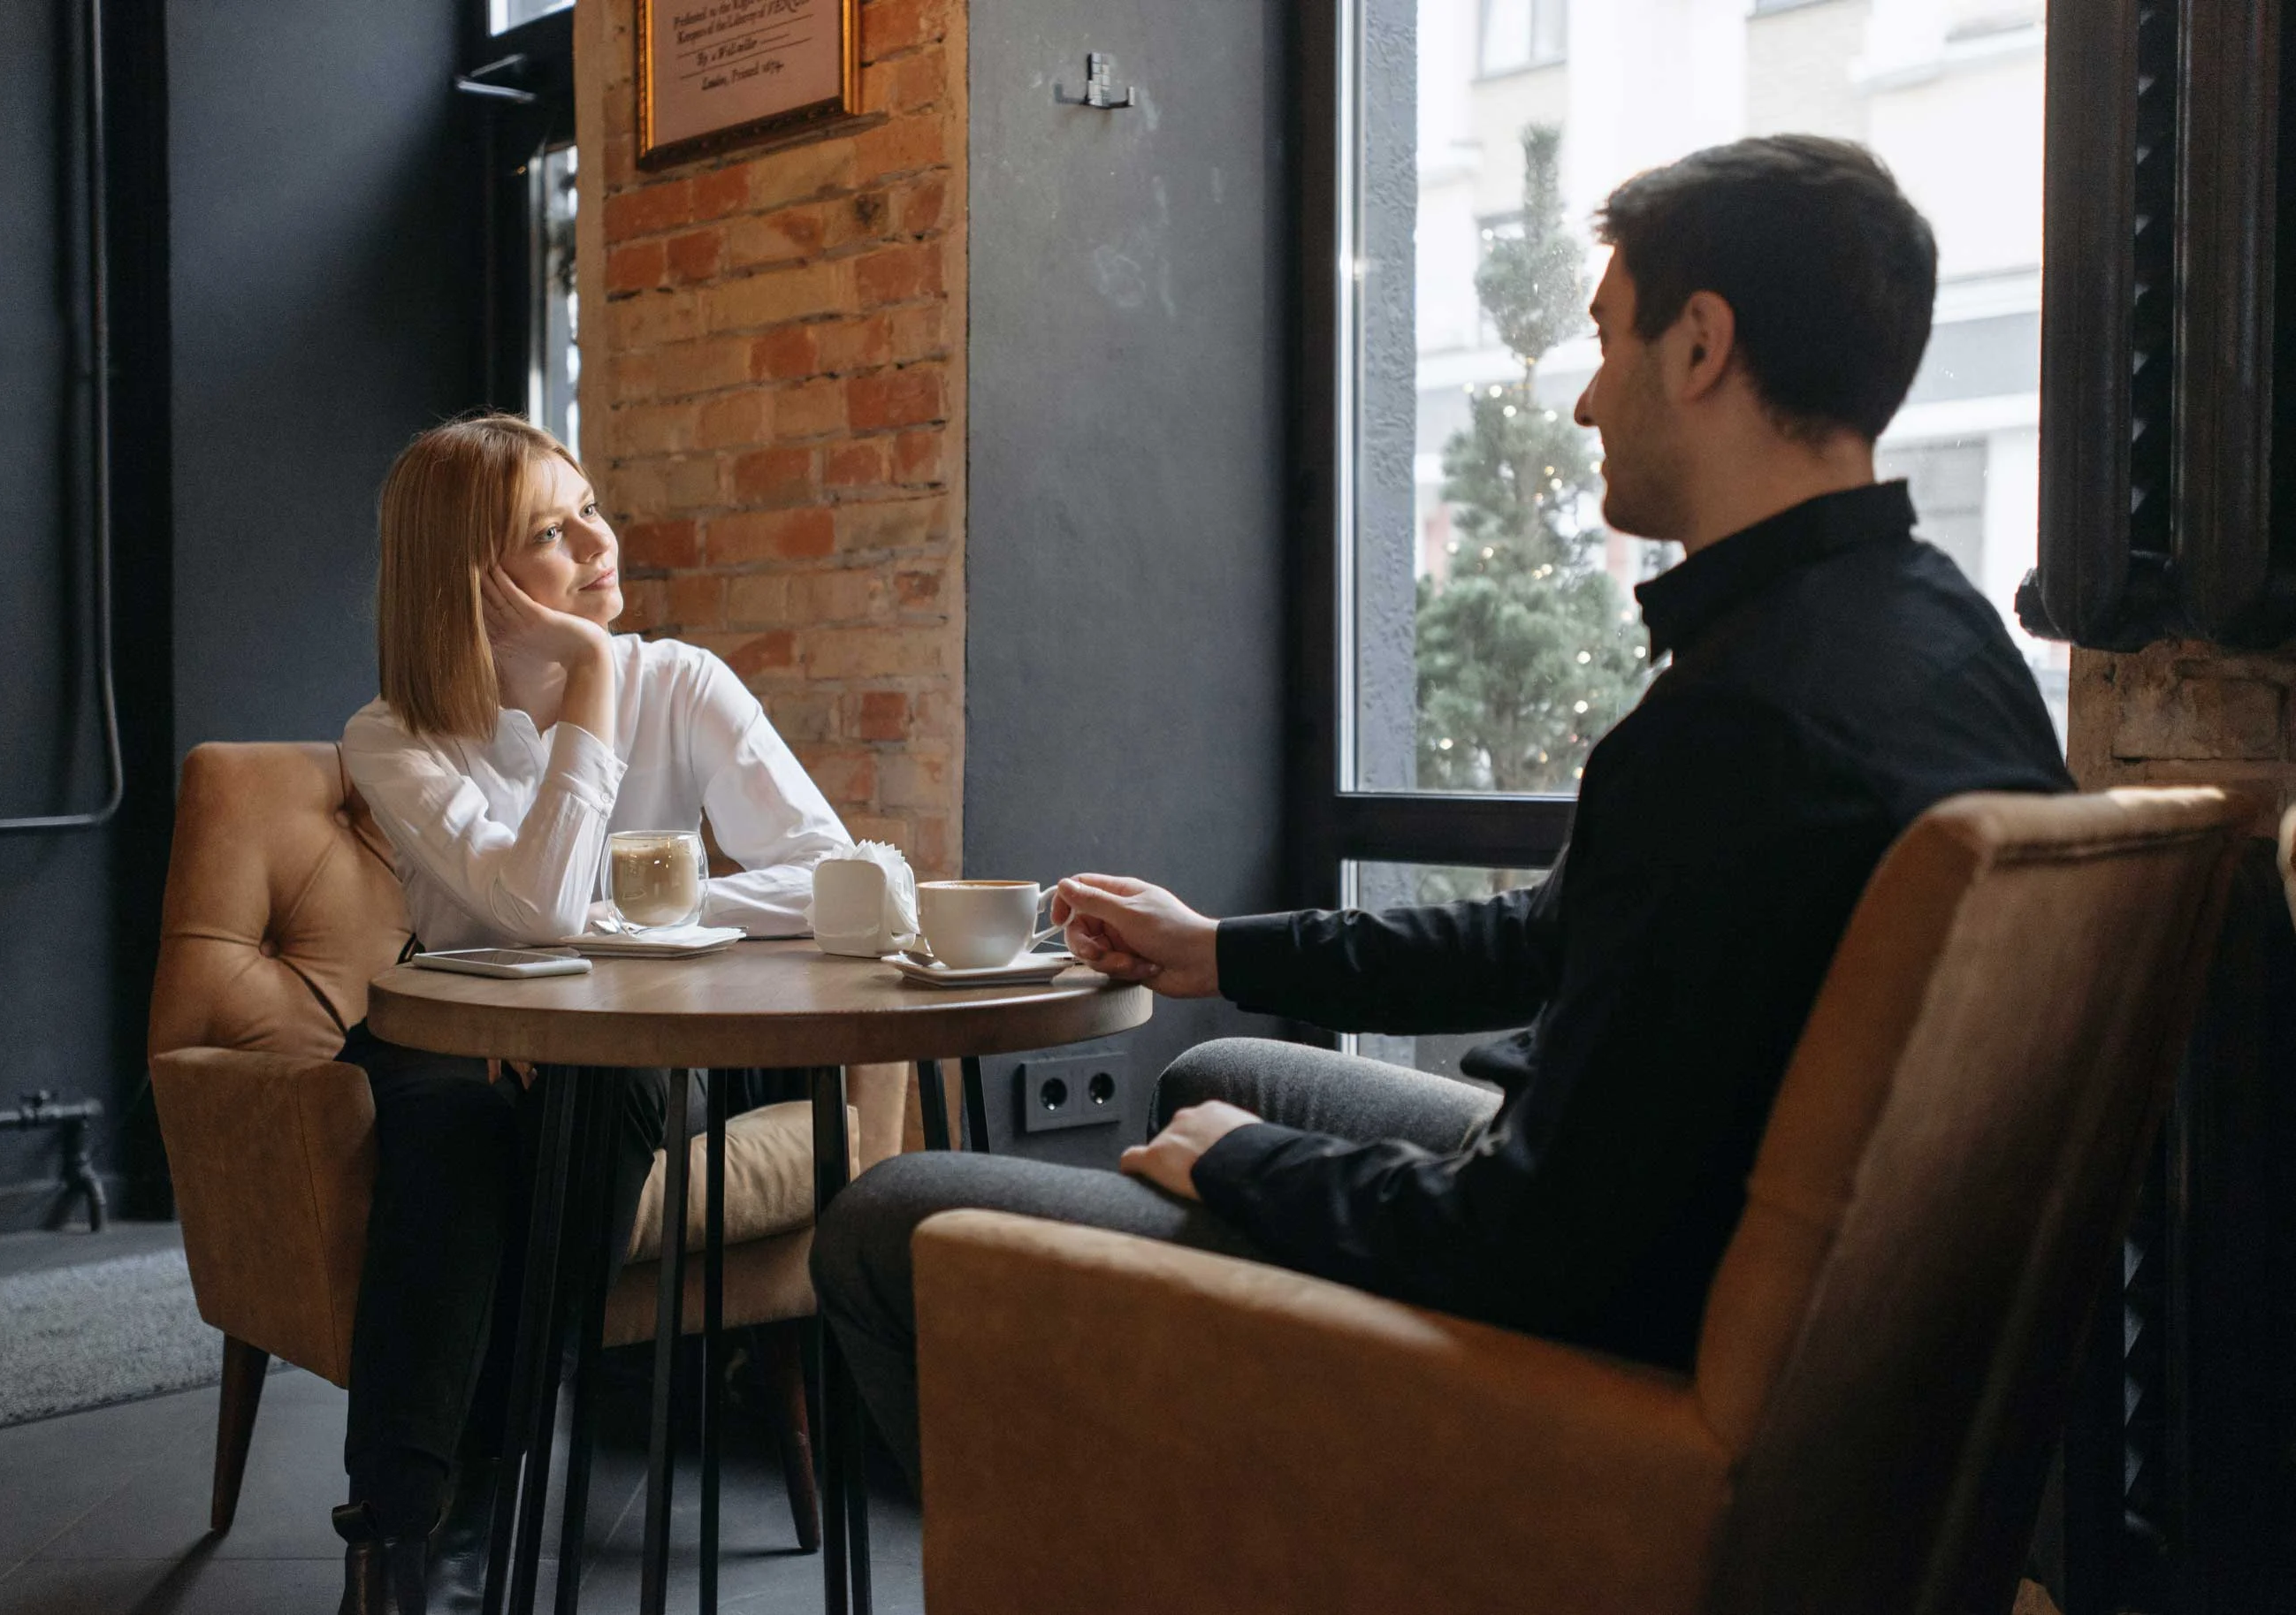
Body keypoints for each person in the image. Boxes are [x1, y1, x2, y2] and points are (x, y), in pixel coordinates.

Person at [811, 134, 2075, 1492]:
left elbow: (1532, 1242)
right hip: (1768, 1309)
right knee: (1206, 1075)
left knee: (886, 1224)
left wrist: (1256, 1171)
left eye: (1607, 338)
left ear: (1701, 345)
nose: (1587, 401)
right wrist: (1220, 952)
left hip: (1587, 1362)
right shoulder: (1945, 640)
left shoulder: (1739, 726)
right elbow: (1548, 938)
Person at [331, 414, 852, 1612]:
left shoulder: (681, 682)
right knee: (462, 1128)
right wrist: (593, 688)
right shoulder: (395, 737)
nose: (599, 544)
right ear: (473, 577)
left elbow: (824, 869)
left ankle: (457, 1513)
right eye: (550, 533)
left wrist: (643, 905)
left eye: (590, 510)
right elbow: (531, 907)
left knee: (604, 1089)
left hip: (616, 1042)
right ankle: (408, 1542)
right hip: (446, 1030)